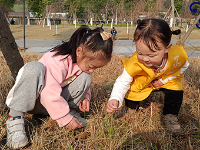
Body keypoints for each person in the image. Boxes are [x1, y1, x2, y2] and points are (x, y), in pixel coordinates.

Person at [6, 25, 113, 149]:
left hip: (49, 105)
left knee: (86, 77)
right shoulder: (58, 61)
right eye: (91, 66)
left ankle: (64, 111)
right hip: (32, 101)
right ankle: (15, 118)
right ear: (79, 51)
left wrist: (85, 97)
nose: (93, 70)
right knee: (33, 68)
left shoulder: (80, 60)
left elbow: (77, 78)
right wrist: (65, 118)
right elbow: (48, 92)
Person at [106, 18, 189, 134]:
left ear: (167, 48)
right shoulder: (135, 62)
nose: (145, 59)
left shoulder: (177, 56)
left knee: (176, 91)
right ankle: (130, 109)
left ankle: (170, 116)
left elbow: (184, 67)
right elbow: (122, 81)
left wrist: (164, 80)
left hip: (165, 81)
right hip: (143, 83)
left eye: (151, 55)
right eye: (140, 53)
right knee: (131, 89)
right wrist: (115, 98)